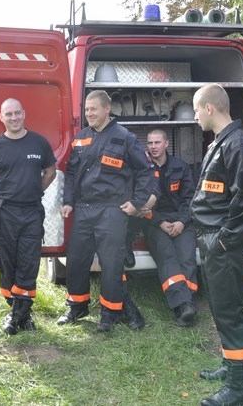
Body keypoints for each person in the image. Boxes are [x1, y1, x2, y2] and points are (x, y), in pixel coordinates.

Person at [56, 90, 156, 332]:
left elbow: (146, 171)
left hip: (112, 210)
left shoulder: (125, 138)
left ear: (107, 109)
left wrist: (136, 202)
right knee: (76, 259)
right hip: (83, 209)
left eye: (93, 109)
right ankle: (77, 306)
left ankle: (110, 313)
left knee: (111, 264)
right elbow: (71, 173)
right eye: (86, 109)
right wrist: (68, 201)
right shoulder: (80, 138)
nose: (89, 113)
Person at [191, 84, 243, 406]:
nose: (194, 117)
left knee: (231, 311)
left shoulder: (239, 144)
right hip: (212, 239)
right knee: (221, 308)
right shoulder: (219, 142)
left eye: (196, 110)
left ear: (209, 108)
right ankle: (229, 364)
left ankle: (236, 389)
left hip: (224, 244)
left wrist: (223, 240)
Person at [0, 98, 57, 335]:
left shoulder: (39, 143)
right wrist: (1, 194)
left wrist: (34, 191)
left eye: (17, 113)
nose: (13, 118)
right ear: (1, 117)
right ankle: (16, 310)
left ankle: (20, 314)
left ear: (24, 114)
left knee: (28, 262)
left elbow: (51, 172)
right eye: (8, 114)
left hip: (32, 212)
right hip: (6, 213)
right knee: (7, 262)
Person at [141, 129, 198, 326]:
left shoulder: (181, 167)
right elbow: (141, 204)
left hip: (181, 221)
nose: (153, 147)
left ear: (166, 144)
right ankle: (183, 305)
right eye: (150, 143)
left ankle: (185, 303)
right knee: (167, 256)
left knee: (187, 257)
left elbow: (189, 199)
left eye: (157, 142)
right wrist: (160, 222)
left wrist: (182, 222)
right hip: (155, 223)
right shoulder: (143, 169)